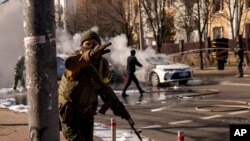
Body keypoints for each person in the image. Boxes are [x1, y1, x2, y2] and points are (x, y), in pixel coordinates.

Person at [58, 30, 111, 141]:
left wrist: (112, 101)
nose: (92, 46)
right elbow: (70, 65)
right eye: (88, 44)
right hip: (69, 110)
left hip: (87, 110)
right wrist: (89, 55)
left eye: (95, 44)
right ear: (81, 45)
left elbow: (105, 85)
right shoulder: (76, 57)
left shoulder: (103, 63)